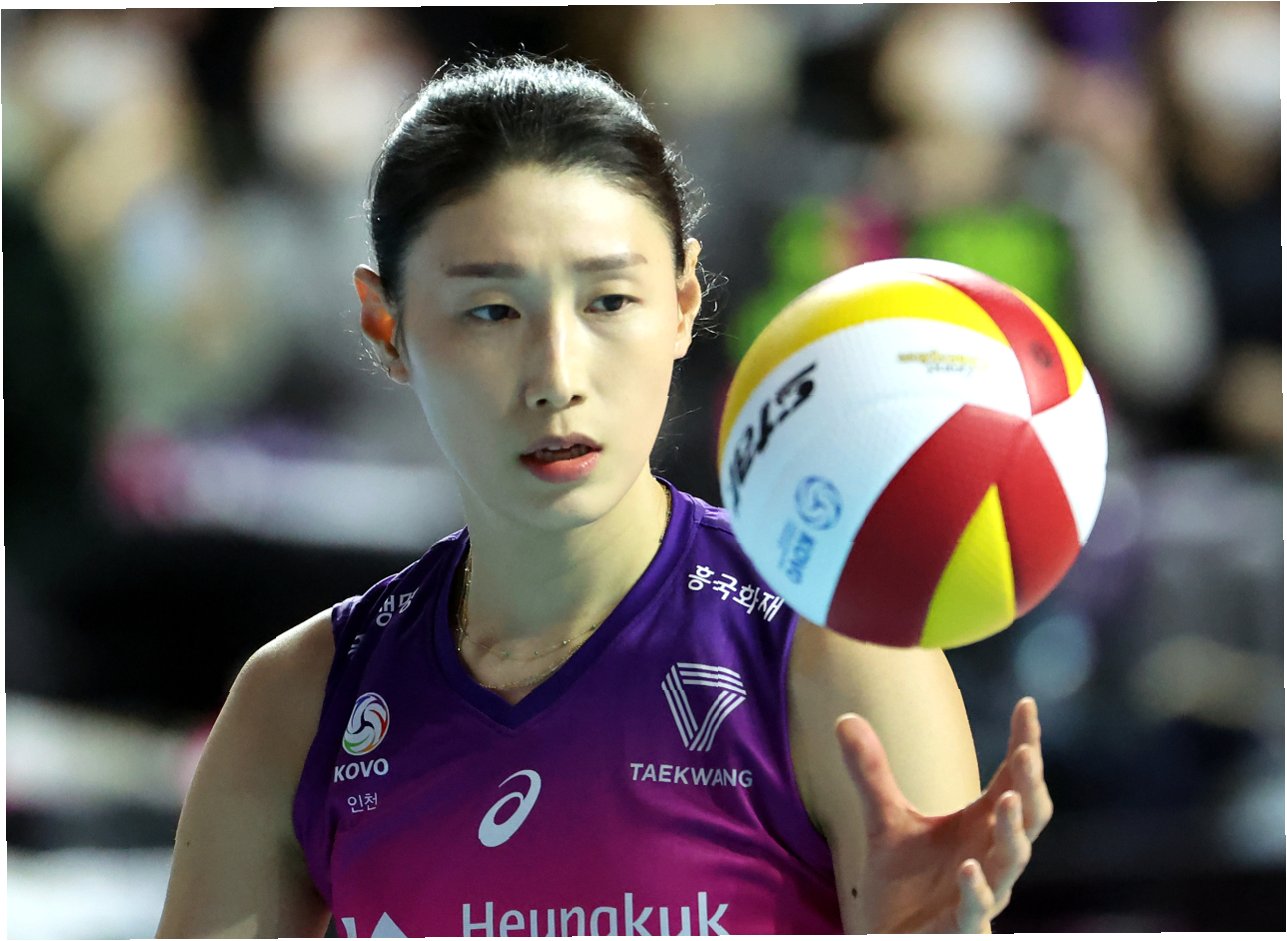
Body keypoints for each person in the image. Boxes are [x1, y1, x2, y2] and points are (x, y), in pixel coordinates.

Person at [156, 55, 1051, 938]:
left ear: (682, 302)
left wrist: (924, 937)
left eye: (609, 301)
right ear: (385, 325)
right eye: (492, 310)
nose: (557, 376)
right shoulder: (296, 705)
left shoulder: (830, 653)